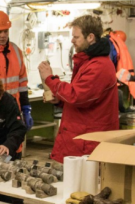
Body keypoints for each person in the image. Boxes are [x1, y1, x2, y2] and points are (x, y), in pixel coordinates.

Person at [38, 15, 119, 163]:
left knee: (85, 178)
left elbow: (77, 96)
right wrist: (60, 100)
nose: (72, 40)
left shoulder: (99, 66)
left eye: (76, 37)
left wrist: (50, 79)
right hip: (80, 139)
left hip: (89, 143)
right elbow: (82, 97)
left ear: (90, 37)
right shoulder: (87, 62)